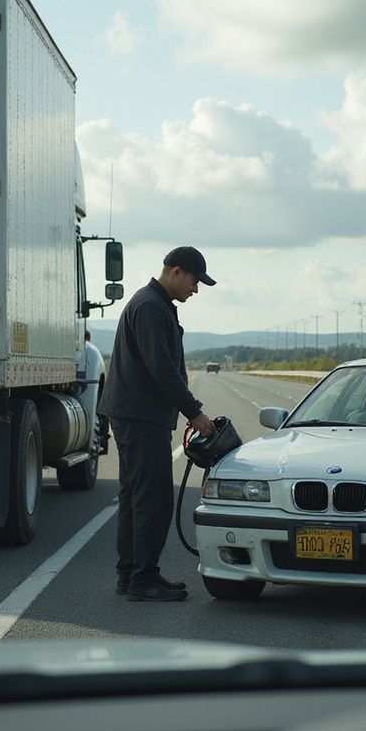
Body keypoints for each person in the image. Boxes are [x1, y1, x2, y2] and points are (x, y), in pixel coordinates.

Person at [98, 247, 216, 602]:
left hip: (137, 413)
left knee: (136, 498)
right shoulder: (150, 306)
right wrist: (194, 412)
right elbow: (161, 368)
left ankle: (132, 575)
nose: (196, 289)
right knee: (153, 499)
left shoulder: (155, 304)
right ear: (177, 271)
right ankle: (142, 578)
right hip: (139, 414)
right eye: (195, 281)